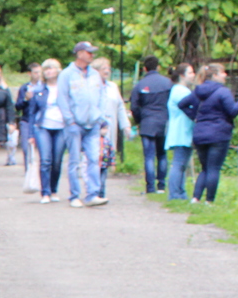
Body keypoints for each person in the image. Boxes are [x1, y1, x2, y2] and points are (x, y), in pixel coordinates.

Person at [178, 62, 238, 203]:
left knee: (205, 168)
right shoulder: (223, 92)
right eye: (222, 72)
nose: (225, 75)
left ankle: (196, 198)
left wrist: (194, 116)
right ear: (215, 75)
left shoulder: (198, 91)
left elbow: (182, 104)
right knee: (214, 168)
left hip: (200, 133)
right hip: (219, 134)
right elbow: (233, 111)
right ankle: (209, 201)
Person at [59, 41, 108, 206]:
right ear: (79, 53)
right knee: (74, 160)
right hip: (75, 124)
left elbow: (101, 96)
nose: (92, 55)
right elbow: (63, 98)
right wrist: (70, 120)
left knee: (94, 159)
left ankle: (93, 194)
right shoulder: (66, 74)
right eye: (89, 52)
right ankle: (74, 196)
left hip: (93, 123)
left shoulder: (95, 74)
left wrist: (100, 117)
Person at [92, 56, 133, 201]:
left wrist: (126, 126)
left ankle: (100, 190)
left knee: (105, 161)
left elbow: (121, 107)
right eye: (104, 69)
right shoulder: (91, 87)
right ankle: (94, 190)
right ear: (96, 71)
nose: (107, 71)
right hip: (95, 129)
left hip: (110, 128)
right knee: (94, 160)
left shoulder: (113, 87)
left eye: (108, 68)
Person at [130, 55, 173, 194]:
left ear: (144, 68)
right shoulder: (168, 83)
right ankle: (161, 186)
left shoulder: (140, 85)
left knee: (149, 156)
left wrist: (139, 120)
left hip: (147, 123)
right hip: (163, 122)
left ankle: (150, 187)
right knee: (162, 154)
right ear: (158, 67)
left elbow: (134, 107)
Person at [27, 58, 68, 203]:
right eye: (46, 69)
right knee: (45, 160)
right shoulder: (38, 90)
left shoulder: (64, 88)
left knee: (57, 161)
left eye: (52, 68)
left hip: (61, 127)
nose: (49, 71)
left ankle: (53, 190)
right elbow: (32, 113)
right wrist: (31, 134)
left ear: (58, 70)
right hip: (42, 127)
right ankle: (45, 192)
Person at [165, 63, 196, 201]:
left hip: (184, 131)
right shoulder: (180, 91)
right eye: (190, 73)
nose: (193, 75)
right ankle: (175, 194)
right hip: (181, 132)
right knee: (178, 163)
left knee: (182, 163)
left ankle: (180, 192)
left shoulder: (182, 90)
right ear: (182, 75)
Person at [15, 63, 44, 177]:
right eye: (35, 72)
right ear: (29, 74)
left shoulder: (44, 87)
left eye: (39, 72)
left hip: (41, 121)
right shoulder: (25, 88)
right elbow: (18, 106)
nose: (38, 75)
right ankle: (29, 172)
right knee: (26, 148)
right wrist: (26, 99)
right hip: (26, 120)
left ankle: (43, 172)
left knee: (43, 149)